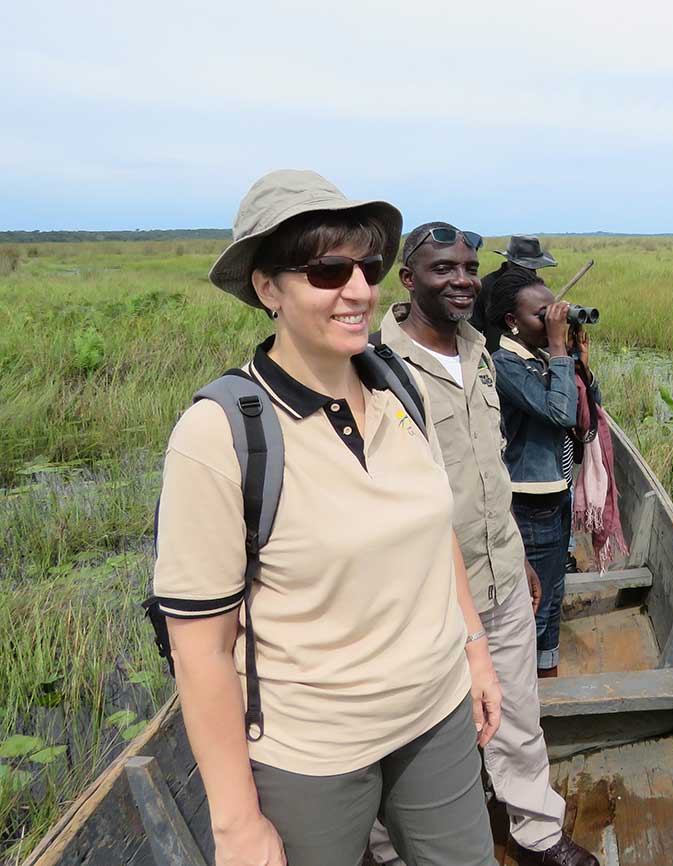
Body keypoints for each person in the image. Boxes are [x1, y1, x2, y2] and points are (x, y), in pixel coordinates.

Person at [151, 170, 500, 866]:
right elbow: (200, 649)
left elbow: (436, 537)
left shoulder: (397, 384)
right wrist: (236, 823)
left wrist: (476, 651)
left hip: (436, 715)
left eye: (367, 267)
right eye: (325, 270)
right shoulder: (222, 434)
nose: (358, 291)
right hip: (311, 751)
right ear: (267, 288)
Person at [370, 222, 600, 866]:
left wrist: (519, 553)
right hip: (427, 592)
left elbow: (489, 474)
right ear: (408, 280)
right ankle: (390, 849)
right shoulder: (375, 365)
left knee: (521, 712)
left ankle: (537, 831)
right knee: (413, 729)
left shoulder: (481, 351)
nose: (462, 279)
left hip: (501, 572)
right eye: (443, 269)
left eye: (469, 267)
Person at [486, 271, 599, 679]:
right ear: (512, 322)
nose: (554, 320)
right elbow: (559, 413)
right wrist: (556, 348)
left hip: (556, 490)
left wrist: (576, 363)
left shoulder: (542, 360)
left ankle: (545, 672)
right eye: (543, 315)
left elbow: (586, 416)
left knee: (553, 591)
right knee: (535, 598)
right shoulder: (506, 364)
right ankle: (526, 683)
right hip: (528, 500)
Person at [471, 235, 558, 341]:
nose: (530, 272)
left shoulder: (535, 286)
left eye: (532, 267)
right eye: (524, 267)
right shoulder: (487, 285)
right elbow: (474, 326)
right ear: (510, 262)